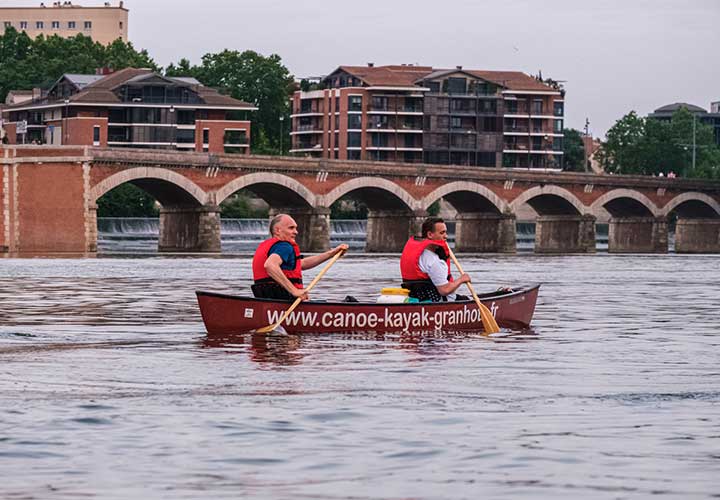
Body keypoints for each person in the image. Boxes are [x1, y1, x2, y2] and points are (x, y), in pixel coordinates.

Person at [251, 213, 348, 301]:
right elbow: (270, 265)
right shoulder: (285, 246)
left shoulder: (273, 247)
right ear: (277, 230)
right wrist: (294, 291)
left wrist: (331, 254)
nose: (296, 232)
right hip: (283, 299)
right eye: (291, 228)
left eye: (295, 228)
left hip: (268, 299)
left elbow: (302, 264)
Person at [400, 216, 471, 302]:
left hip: (418, 300)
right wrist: (461, 279)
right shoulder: (435, 261)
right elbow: (444, 290)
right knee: (467, 299)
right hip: (442, 302)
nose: (446, 236)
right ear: (430, 234)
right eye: (442, 233)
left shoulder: (418, 256)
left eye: (446, 233)